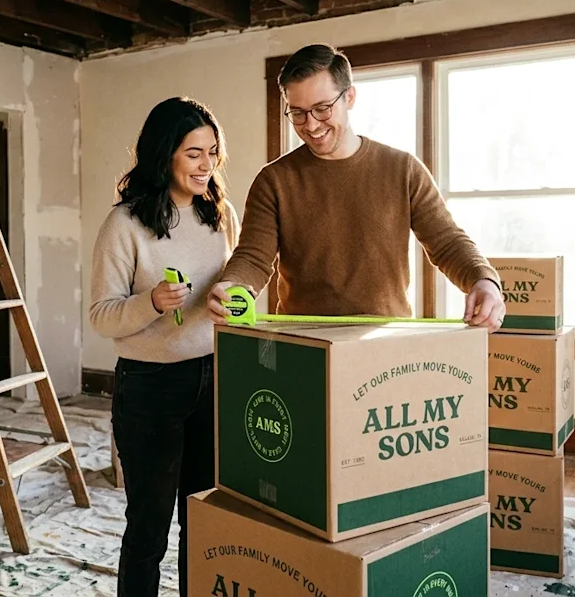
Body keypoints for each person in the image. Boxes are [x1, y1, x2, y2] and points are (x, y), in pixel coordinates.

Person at [206, 43, 505, 330]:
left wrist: (483, 281)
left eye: (322, 108)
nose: (310, 125)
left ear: (349, 98)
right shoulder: (274, 180)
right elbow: (253, 258)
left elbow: (448, 243)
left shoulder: (403, 169)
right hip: (305, 343)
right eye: (297, 112)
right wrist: (232, 286)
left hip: (385, 342)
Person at [88, 96, 240, 596]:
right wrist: (149, 302)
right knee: (149, 528)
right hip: (150, 387)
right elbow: (100, 317)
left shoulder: (220, 215)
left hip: (213, 378)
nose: (207, 165)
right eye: (193, 153)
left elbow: (239, 282)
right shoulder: (124, 225)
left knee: (204, 520)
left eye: (212, 152)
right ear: (164, 155)